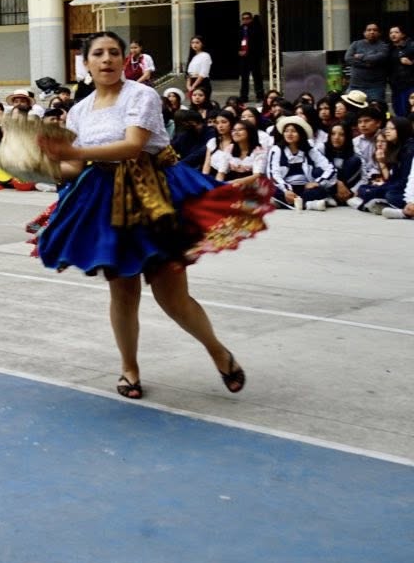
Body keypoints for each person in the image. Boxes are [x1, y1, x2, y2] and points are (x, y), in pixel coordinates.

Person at [29, 31, 272, 400]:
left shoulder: (141, 94)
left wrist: (70, 148)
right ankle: (129, 367)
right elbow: (76, 168)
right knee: (122, 292)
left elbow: (133, 145)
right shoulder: (79, 109)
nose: (107, 59)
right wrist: (39, 165)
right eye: (98, 53)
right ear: (86, 63)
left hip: (156, 194)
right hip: (106, 201)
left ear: (125, 59)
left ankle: (217, 351)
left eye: (114, 52)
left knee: (171, 297)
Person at [264, 117, 335, 210]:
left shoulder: (310, 150)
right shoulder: (276, 150)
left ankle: (286, 203)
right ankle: (308, 205)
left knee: (321, 190)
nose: (289, 134)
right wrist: (286, 190)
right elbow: (273, 175)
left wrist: (318, 183)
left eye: (293, 131)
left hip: (305, 188)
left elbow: (330, 168)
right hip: (284, 187)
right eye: (286, 131)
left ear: (300, 133)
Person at [344, 23, 392, 104]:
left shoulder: (384, 46)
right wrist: (367, 64)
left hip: (375, 87)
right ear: (364, 33)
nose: (372, 32)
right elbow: (348, 58)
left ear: (379, 33)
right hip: (355, 85)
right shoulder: (356, 44)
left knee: (375, 110)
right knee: (353, 109)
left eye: (375, 30)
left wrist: (361, 56)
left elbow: (379, 58)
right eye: (369, 30)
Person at [237, 12, 263, 102]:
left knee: (257, 77)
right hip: (243, 58)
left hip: (254, 56)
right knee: (244, 78)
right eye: (243, 18)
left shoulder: (256, 28)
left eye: (247, 18)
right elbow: (237, 41)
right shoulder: (240, 29)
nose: (245, 20)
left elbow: (259, 43)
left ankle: (260, 95)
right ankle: (244, 96)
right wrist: (239, 51)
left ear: (251, 19)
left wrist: (249, 51)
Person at [390, 25, 414, 120]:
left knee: (409, 110)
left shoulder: (411, 46)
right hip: (395, 86)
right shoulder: (389, 49)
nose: (393, 34)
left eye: (396, 32)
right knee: (398, 111)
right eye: (391, 33)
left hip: (410, 84)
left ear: (403, 34)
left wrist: (411, 63)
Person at [185, 36, 212, 102]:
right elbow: (188, 73)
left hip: (202, 82)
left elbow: (203, 73)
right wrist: (188, 86)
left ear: (202, 44)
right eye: (192, 43)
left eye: (197, 43)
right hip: (192, 82)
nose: (194, 45)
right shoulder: (192, 57)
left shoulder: (205, 55)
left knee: (202, 103)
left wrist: (193, 86)